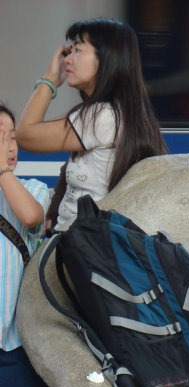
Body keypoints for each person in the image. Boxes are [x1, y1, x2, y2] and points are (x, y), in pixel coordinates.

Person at [15, 18, 167, 231]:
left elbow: (24, 135)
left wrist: (49, 80)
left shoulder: (101, 117)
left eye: (77, 50)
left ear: (106, 60)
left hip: (83, 247)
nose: (67, 59)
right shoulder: (120, 112)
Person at [0, 103, 64, 387]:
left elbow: (29, 219)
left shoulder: (33, 190)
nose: (8, 147)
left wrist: (1, 173)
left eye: (10, 138)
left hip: (11, 343)